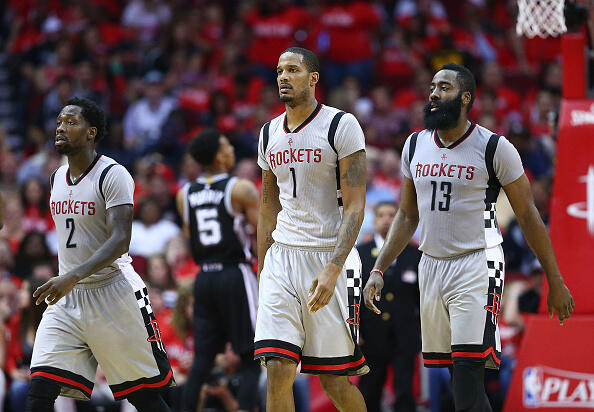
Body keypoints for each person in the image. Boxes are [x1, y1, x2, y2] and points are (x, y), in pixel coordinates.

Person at [363, 63, 574, 412]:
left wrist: (554, 278)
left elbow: (529, 215)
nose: (433, 93)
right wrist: (378, 268)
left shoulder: (494, 147)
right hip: (432, 264)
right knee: (458, 374)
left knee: (467, 370)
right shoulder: (414, 145)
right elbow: (406, 215)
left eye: (443, 87)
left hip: (477, 262)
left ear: (465, 98)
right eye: (431, 86)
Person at [27, 97, 175, 412]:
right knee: (39, 388)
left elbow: (121, 240)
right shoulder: (55, 177)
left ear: (91, 132)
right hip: (68, 297)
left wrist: (72, 275)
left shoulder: (113, 174)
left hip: (114, 292)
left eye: (71, 122)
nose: (61, 128)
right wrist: (69, 279)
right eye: (59, 122)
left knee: (144, 396)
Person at [255, 47, 368, 412]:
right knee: (277, 367)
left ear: (313, 78)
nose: (283, 77)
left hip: (329, 258)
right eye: (278, 71)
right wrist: (262, 270)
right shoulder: (268, 132)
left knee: (335, 380)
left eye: (292, 70)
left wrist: (334, 267)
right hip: (282, 258)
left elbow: (355, 206)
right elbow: (268, 206)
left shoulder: (341, 125)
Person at [177, 128, 261, 412]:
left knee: (201, 361)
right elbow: (263, 237)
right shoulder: (240, 188)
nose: (231, 150)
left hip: (205, 278)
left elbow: (192, 237)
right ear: (218, 154)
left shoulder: (184, 193)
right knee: (251, 358)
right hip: (235, 273)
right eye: (227, 145)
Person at [357, 201, 421, 412]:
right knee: (371, 388)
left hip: (406, 333)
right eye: (382, 215)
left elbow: (422, 296)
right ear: (374, 221)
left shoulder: (415, 253)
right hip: (372, 333)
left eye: (392, 215)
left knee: (405, 389)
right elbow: (355, 296)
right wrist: (355, 330)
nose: (387, 219)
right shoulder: (360, 254)